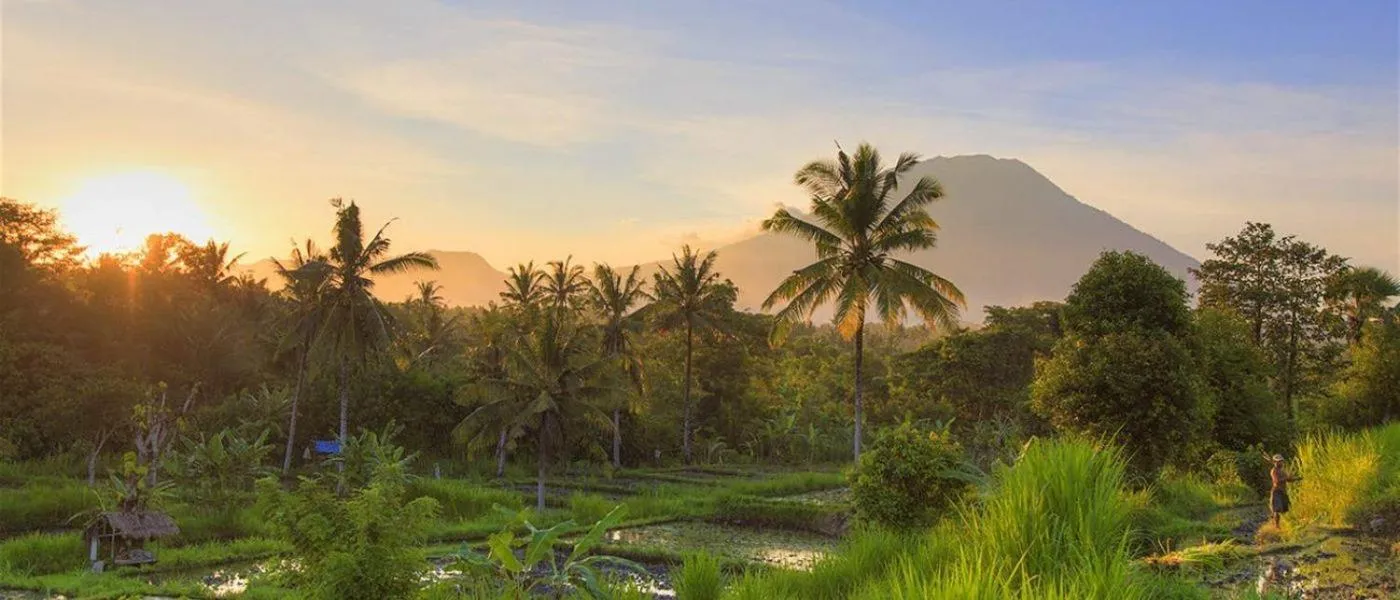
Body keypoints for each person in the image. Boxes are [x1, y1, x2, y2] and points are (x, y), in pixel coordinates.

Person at [1260, 450, 1301, 529]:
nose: (1280, 463)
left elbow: (1289, 480)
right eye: (1278, 461)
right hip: (1276, 492)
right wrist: (1286, 478)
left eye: (1281, 461)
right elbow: (1277, 481)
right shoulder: (1274, 471)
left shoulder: (1282, 471)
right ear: (1275, 462)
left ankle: (1288, 525)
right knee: (1277, 510)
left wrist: (1297, 478)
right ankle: (1277, 526)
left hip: (1283, 492)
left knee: (1287, 509)